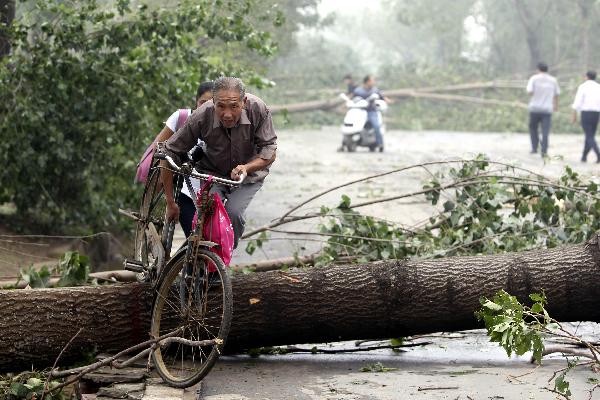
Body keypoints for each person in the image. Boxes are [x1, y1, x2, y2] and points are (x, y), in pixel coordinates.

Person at [161, 76, 277, 249]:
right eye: (220, 106)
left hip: (248, 176)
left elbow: (270, 150)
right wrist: (170, 202)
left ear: (243, 102)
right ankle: (204, 262)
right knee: (208, 215)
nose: (227, 114)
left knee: (233, 214)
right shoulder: (201, 116)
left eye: (234, 106)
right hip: (212, 173)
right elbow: (169, 152)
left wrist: (246, 167)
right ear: (213, 102)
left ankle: (221, 263)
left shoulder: (258, 109)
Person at [152, 81, 214, 238]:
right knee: (193, 239)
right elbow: (159, 148)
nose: (206, 107)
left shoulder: (224, 124)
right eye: (202, 102)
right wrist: (170, 201)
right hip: (184, 187)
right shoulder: (182, 118)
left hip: (210, 192)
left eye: (211, 103)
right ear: (196, 101)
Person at [526, 62, 560, 157]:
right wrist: (555, 106)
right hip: (547, 109)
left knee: (533, 129)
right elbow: (556, 94)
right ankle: (544, 151)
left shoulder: (534, 78)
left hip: (535, 108)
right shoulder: (553, 80)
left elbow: (530, 92)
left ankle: (534, 148)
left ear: (538, 69)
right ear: (547, 70)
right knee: (545, 131)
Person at [353, 75, 391, 152]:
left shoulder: (375, 90)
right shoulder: (358, 91)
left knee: (376, 126)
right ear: (367, 81)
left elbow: (382, 98)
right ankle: (346, 142)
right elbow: (352, 99)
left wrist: (387, 101)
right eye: (372, 80)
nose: (374, 82)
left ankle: (380, 144)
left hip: (371, 111)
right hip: (359, 111)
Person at [572, 70, 600, 163]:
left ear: (587, 76)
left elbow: (577, 102)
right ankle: (584, 157)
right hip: (596, 113)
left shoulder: (583, 86)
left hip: (586, 113)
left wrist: (574, 114)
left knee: (589, 135)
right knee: (590, 135)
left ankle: (598, 154)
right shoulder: (598, 87)